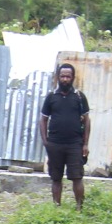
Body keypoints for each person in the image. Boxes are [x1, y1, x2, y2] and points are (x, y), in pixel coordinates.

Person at [39, 63, 91, 211]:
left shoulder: (79, 97)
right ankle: (56, 207)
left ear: (73, 78)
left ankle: (79, 208)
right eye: (62, 76)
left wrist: (85, 144)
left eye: (68, 76)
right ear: (58, 78)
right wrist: (45, 142)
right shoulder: (51, 97)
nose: (65, 79)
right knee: (56, 178)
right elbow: (43, 120)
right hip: (55, 144)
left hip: (75, 144)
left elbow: (87, 121)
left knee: (77, 177)